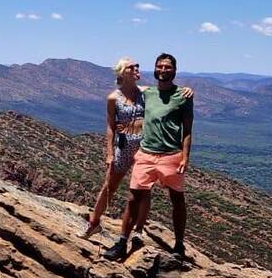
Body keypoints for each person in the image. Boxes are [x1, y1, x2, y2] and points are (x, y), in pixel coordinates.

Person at [104, 52, 194, 260]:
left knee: (177, 199)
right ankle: (121, 243)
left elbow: (187, 129)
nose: (163, 70)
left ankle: (179, 245)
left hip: (172, 155)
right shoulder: (147, 93)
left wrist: (185, 157)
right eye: (160, 66)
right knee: (133, 198)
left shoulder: (183, 95)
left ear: (174, 70)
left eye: (167, 67)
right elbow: (125, 96)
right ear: (155, 69)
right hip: (145, 154)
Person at [82, 57, 145, 238]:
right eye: (131, 67)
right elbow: (110, 126)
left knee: (142, 190)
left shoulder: (146, 93)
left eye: (137, 66)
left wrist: (185, 90)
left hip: (144, 147)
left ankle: (138, 231)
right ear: (121, 73)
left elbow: (168, 92)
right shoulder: (113, 98)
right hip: (124, 146)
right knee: (109, 187)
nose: (136, 69)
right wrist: (109, 153)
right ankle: (94, 223)